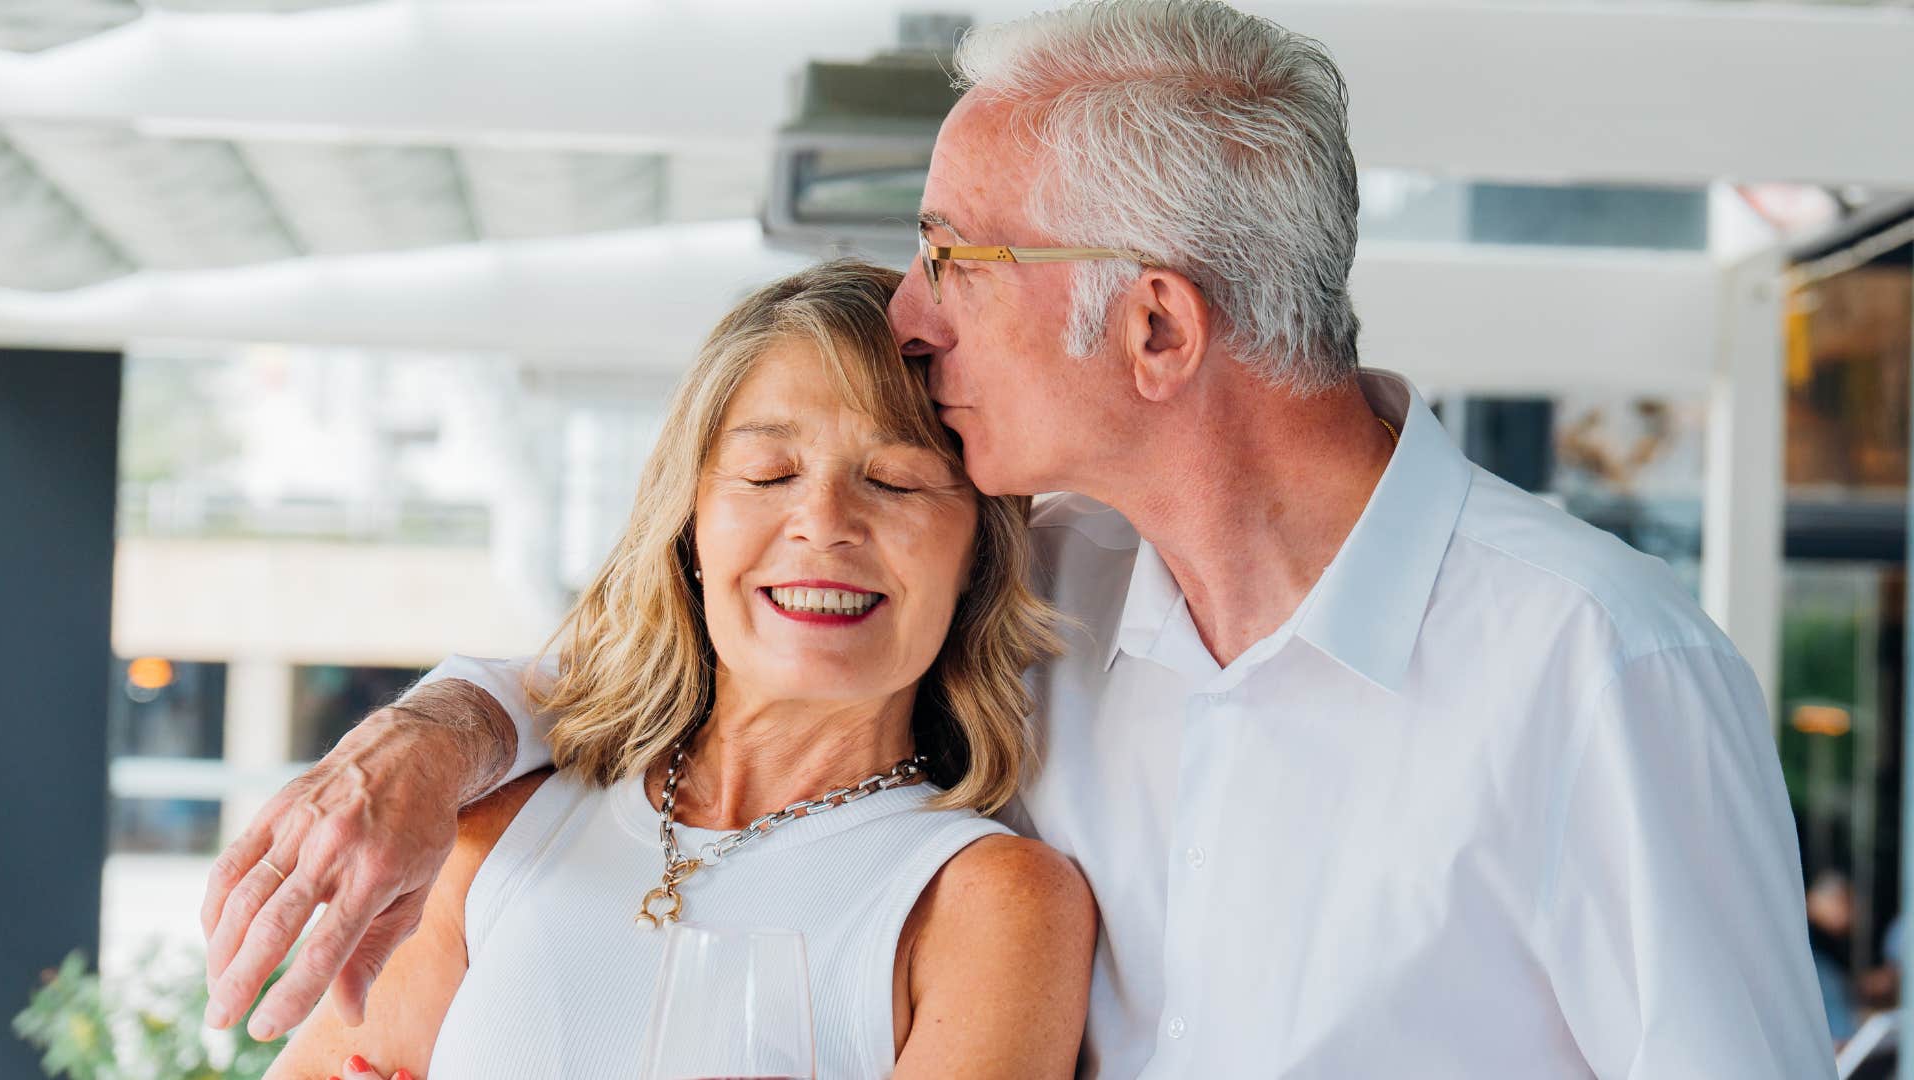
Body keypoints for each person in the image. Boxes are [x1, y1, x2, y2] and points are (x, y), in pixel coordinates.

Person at [203, 2, 1835, 1076]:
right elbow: (719, 641)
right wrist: (435, 734)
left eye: (954, 257)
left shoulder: (1595, 665)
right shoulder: (1050, 581)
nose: (907, 317)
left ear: (1153, 329)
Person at [249, 262, 1096, 1078]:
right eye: (770, 473)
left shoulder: (991, 903)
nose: (824, 522)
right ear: (691, 524)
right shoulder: (499, 833)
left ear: (977, 557)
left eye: (896, 481)